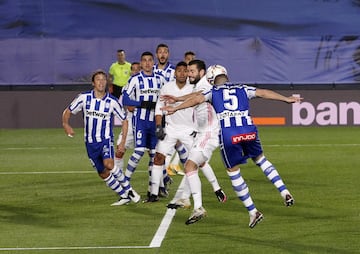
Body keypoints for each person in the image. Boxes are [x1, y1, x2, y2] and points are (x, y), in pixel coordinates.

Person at [161, 64, 301, 228]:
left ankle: (253, 212)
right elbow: (263, 92)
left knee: (233, 172)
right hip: (249, 130)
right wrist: (286, 99)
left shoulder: (213, 91)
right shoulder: (243, 88)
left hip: (229, 134)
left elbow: (197, 98)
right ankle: (284, 192)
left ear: (212, 79)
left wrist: (175, 108)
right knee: (261, 159)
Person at [161, 60, 227, 225]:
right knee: (198, 164)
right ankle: (203, 195)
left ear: (202, 72)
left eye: (191, 71)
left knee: (190, 166)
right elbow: (194, 95)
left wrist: (176, 107)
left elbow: (196, 99)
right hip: (202, 133)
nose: (189, 74)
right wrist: (177, 98)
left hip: (208, 133)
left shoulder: (206, 84)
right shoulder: (202, 85)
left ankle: (197, 206)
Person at [62, 69, 140, 206]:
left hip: (105, 139)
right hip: (90, 143)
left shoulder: (112, 101)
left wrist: (122, 141)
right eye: (98, 79)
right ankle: (124, 196)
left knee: (109, 164)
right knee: (102, 173)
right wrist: (66, 124)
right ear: (93, 83)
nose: (101, 82)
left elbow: (124, 120)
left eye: (104, 80)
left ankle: (129, 190)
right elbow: (67, 111)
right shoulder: (84, 97)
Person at [122, 51, 166, 201]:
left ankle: (152, 190)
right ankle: (124, 184)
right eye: (144, 61)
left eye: (149, 60)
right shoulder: (135, 79)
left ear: (153, 63)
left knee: (155, 155)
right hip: (140, 121)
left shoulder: (160, 79)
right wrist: (141, 104)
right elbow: (126, 99)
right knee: (139, 151)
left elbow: (166, 96)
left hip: (156, 122)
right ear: (141, 64)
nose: (147, 63)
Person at [153, 43, 184, 176]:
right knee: (157, 149)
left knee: (175, 143)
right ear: (156, 55)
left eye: (165, 52)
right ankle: (162, 178)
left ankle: (172, 170)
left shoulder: (174, 71)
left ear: (168, 54)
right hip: (155, 112)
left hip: (171, 112)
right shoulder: (151, 70)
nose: (162, 54)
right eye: (160, 52)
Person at [114, 62, 142, 173]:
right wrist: (146, 106)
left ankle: (159, 180)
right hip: (131, 121)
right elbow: (130, 107)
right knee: (120, 150)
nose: (135, 71)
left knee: (154, 153)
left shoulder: (148, 85)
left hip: (146, 121)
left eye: (138, 69)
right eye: (133, 69)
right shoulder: (128, 85)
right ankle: (119, 176)